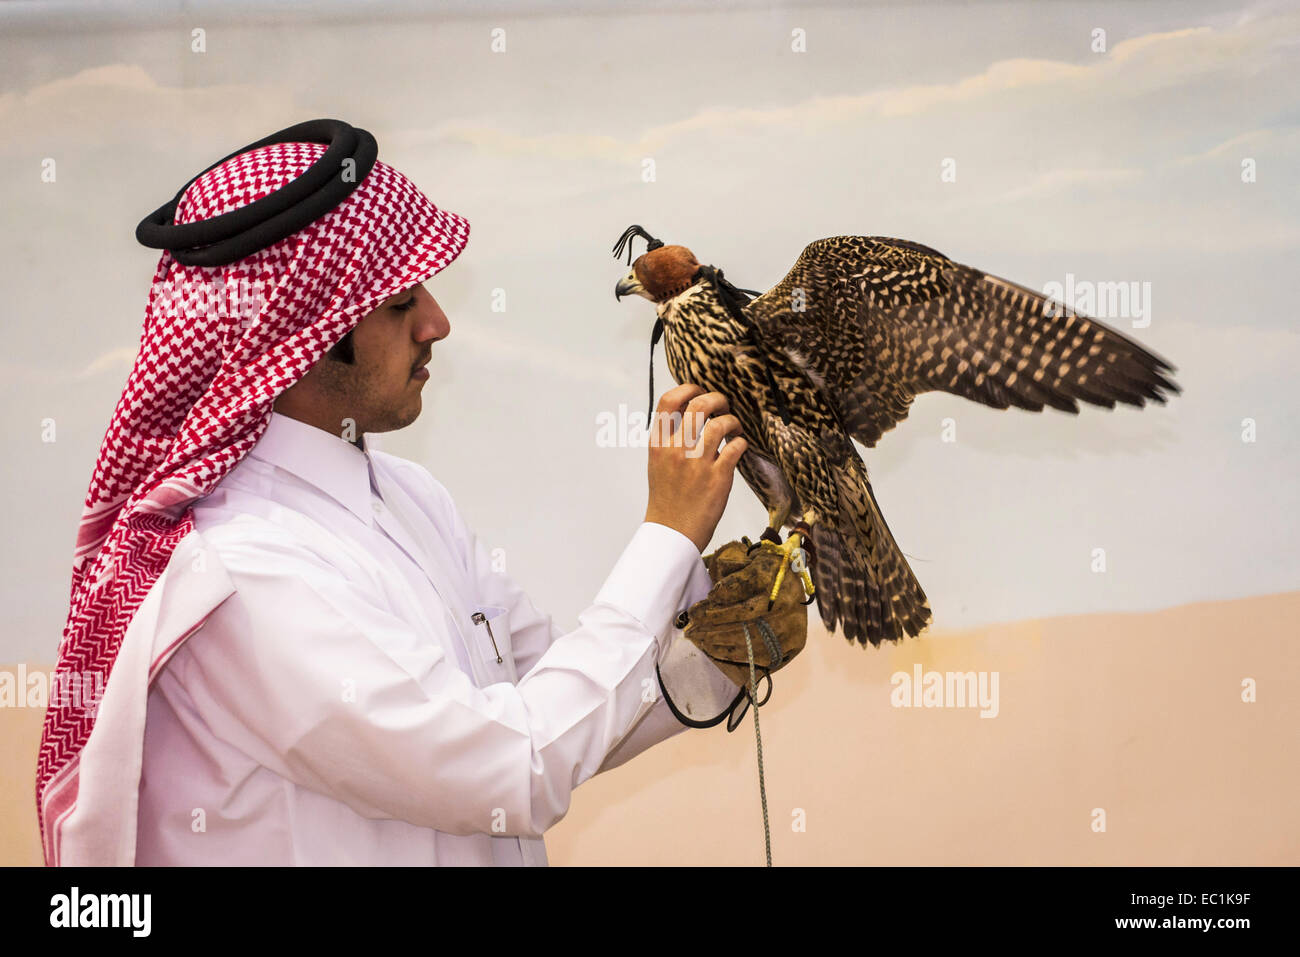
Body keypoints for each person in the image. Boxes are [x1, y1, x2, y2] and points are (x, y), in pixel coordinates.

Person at [35, 120, 771, 867]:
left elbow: (556, 712)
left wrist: (719, 650)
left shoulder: (410, 497)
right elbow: (512, 764)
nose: (437, 323)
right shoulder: (238, 574)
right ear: (304, 330)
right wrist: (668, 536)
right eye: (399, 303)